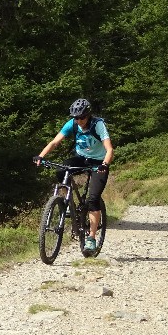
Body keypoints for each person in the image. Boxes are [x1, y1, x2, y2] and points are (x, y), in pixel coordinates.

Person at [34, 98, 114, 253]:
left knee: (93, 199)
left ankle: (91, 238)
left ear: (88, 115)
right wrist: (41, 156)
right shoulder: (72, 124)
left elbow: (109, 149)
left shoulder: (98, 125)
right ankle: (67, 200)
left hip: (99, 163)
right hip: (82, 159)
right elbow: (55, 142)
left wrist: (104, 164)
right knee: (61, 170)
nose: (78, 121)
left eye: (81, 117)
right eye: (75, 118)